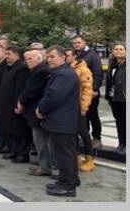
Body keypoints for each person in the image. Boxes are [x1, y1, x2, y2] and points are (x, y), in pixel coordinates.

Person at [37, 45, 80, 197]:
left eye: (52, 57)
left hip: (62, 122)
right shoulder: (62, 72)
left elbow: (54, 96)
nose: (49, 60)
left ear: (63, 57)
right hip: (61, 121)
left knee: (64, 154)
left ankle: (67, 186)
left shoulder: (64, 74)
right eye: (48, 57)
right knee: (66, 153)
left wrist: (41, 109)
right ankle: (68, 180)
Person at [16, 50, 53, 177]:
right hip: (35, 110)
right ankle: (44, 165)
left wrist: (21, 102)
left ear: (40, 58)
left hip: (39, 111)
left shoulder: (42, 71)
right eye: (26, 59)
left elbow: (31, 90)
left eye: (30, 58)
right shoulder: (36, 70)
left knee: (41, 140)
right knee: (39, 140)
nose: (28, 61)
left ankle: (46, 167)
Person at [64, 48, 95, 172]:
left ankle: (89, 158)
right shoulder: (66, 69)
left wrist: (83, 107)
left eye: (67, 55)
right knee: (73, 132)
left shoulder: (83, 70)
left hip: (79, 106)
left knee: (83, 132)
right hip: (69, 107)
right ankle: (76, 156)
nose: (65, 57)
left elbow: (87, 90)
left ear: (74, 57)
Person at [71, 35, 104, 149]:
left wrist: (95, 89)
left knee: (93, 115)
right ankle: (85, 137)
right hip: (79, 92)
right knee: (83, 116)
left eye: (78, 42)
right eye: (74, 43)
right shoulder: (76, 56)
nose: (76, 45)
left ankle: (97, 138)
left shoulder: (92, 55)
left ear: (84, 42)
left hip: (90, 92)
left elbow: (97, 72)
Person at [105, 44, 126, 155]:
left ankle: (126, 145)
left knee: (126, 122)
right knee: (119, 122)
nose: (118, 51)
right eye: (116, 49)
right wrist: (108, 96)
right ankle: (121, 143)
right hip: (114, 97)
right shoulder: (113, 64)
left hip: (124, 98)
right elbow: (110, 82)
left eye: (121, 49)